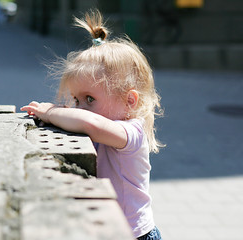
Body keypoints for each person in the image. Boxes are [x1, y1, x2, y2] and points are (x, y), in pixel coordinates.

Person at [21, 10, 164, 240]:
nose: (79, 108)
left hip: (135, 234)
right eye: (76, 99)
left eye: (90, 99)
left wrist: (51, 112)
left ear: (129, 101)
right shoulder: (106, 121)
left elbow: (92, 124)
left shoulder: (133, 132)